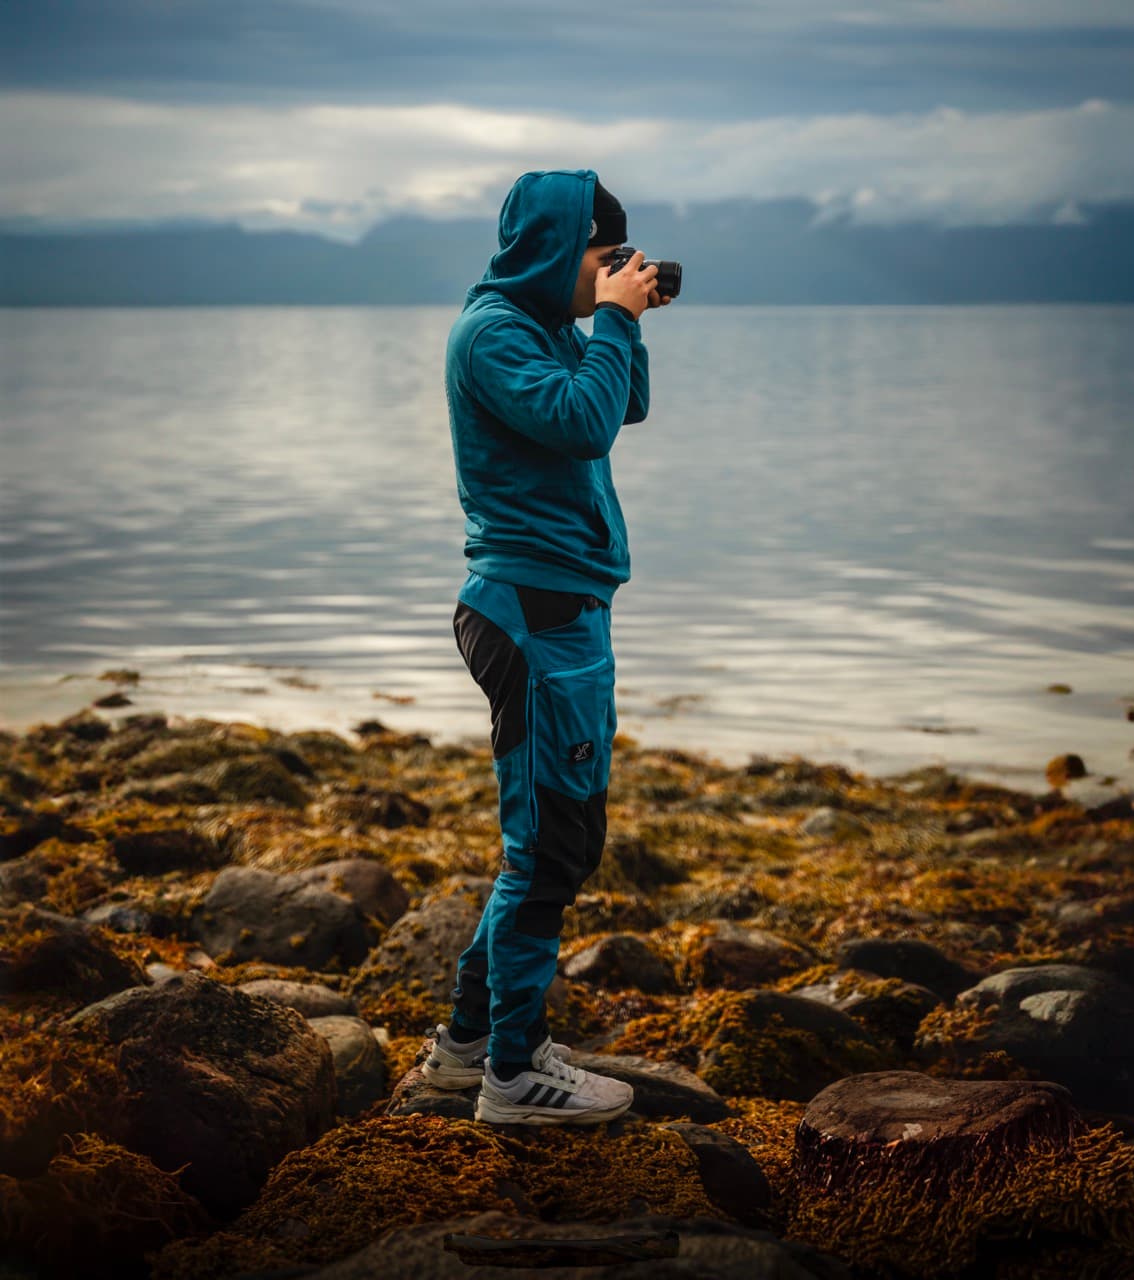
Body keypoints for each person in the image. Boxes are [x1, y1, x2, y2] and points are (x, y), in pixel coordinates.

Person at [421, 169, 671, 1125]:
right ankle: (515, 1076)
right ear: (554, 247)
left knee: (550, 842)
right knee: (550, 849)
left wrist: (623, 321)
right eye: (602, 255)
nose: (613, 268)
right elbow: (582, 418)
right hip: (531, 613)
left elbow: (623, 408)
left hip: (562, 610)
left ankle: (468, 1048)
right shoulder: (492, 334)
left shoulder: (543, 328)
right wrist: (610, 321)